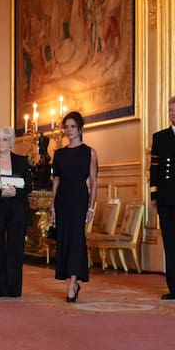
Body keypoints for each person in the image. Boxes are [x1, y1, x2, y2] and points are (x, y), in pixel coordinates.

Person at [51, 111, 98, 302]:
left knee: (77, 240)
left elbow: (94, 182)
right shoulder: (59, 154)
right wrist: (52, 207)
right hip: (62, 202)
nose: (68, 130)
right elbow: (56, 182)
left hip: (79, 201)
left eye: (72, 126)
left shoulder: (90, 152)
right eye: (66, 127)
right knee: (65, 240)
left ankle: (73, 281)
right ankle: (72, 281)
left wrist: (91, 207)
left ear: (80, 128)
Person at [0, 126, 32, 297]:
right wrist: (0, 193)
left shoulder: (22, 161)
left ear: (11, 141)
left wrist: (15, 192)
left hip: (17, 211)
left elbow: (28, 186)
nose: (0, 143)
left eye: (4, 139)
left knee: (15, 250)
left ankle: (13, 289)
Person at [150, 96, 175, 300]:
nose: (172, 114)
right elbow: (155, 169)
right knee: (170, 244)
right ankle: (174, 288)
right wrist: (154, 195)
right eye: (170, 111)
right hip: (166, 199)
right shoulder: (160, 137)